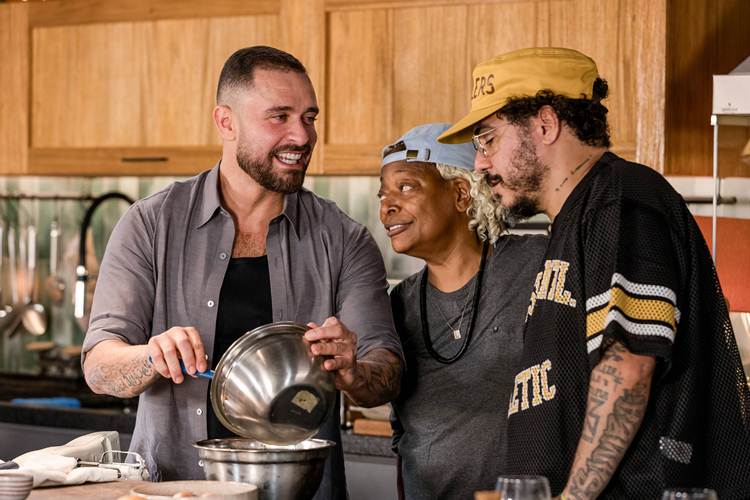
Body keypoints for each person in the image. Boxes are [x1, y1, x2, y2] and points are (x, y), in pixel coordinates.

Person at [80, 46, 403, 499]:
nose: (302, 135)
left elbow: (386, 370)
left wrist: (352, 371)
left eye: (309, 118)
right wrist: (151, 357)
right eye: (279, 117)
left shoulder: (345, 239)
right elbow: (99, 367)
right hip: (174, 490)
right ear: (226, 122)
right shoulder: (151, 225)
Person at [438, 47, 750, 499]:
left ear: (546, 124)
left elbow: (629, 363)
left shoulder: (620, 199)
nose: (480, 163)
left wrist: (573, 498)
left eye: (487, 140)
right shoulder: (579, 217)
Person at [379, 123, 547, 500]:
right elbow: (402, 431)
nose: (386, 206)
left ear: (460, 193)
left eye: (405, 187)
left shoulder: (536, 264)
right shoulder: (399, 302)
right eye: (383, 193)